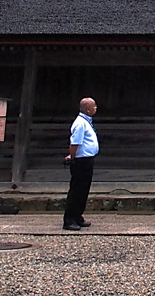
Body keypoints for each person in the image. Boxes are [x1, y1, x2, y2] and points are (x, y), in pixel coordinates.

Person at [62, 97, 99, 231]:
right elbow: (75, 142)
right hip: (81, 160)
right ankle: (69, 219)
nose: (96, 108)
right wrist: (72, 156)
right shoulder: (80, 123)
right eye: (94, 106)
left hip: (87, 159)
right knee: (77, 190)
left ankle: (78, 216)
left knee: (83, 189)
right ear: (88, 109)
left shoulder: (86, 122)